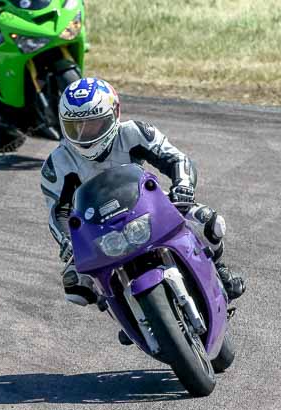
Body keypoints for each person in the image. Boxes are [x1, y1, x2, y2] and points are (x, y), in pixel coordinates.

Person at [40, 77, 246, 312]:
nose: (84, 134)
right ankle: (122, 309)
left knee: (210, 223)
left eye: (94, 124)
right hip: (96, 227)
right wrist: (67, 240)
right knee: (75, 288)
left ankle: (218, 269)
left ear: (114, 113)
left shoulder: (134, 132)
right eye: (75, 127)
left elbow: (176, 159)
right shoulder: (58, 162)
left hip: (146, 203)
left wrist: (183, 186)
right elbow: (58, 212)